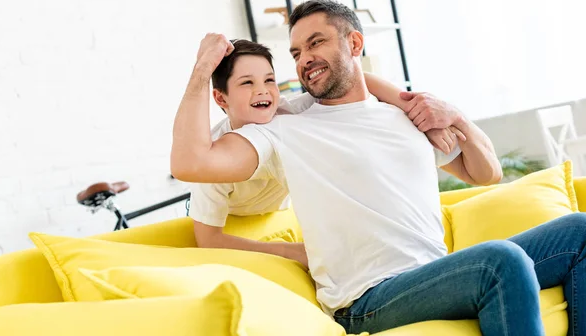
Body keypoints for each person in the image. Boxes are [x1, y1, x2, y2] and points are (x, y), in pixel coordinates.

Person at [171, 0, 586, 335]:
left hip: (436, 274)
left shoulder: (403, 114)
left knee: (580, 231)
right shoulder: (285, 126)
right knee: (499, 261)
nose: (305, 59)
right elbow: (191, 162)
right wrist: (201, 70)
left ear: (354, 43)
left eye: (316, 43)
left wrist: (454, 115)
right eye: (297, 52)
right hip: (367, 300)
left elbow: (485, 172)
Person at [189, 39, 461, 268]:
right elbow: (209, 240)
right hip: (236, 214)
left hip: (278, 207)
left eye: (269, 80)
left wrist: (421, 114)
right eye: (247, 82)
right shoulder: (216, 156)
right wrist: (293, 252)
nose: (262, 90)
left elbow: (359, 79)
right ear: (221, 99)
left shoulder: (287, 115)